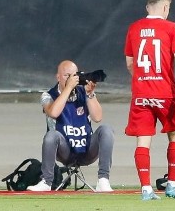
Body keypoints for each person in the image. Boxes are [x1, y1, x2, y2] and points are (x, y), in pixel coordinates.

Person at [123, 0, 175, 200]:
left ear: (147, 7)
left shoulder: (134, 28)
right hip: (165, 93)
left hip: (141, 93)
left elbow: (130, 63)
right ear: (165, 7)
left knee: (143, 141)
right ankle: (172, 185)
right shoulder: (172, 27)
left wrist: (144, 78)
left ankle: (146, 189)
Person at [27, 60, 114, 193]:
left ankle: (103, 180)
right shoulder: (48, 95)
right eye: (67, 75)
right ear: (58, 77)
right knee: (51, 135)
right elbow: (54, 113)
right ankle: (46, 181)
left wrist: (90, 94)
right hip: (64, 151)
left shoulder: (83, 92)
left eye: (74, 75)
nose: (71, 79)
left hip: (86, 148)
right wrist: (68, 88)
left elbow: (97, 118)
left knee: (106, 130)